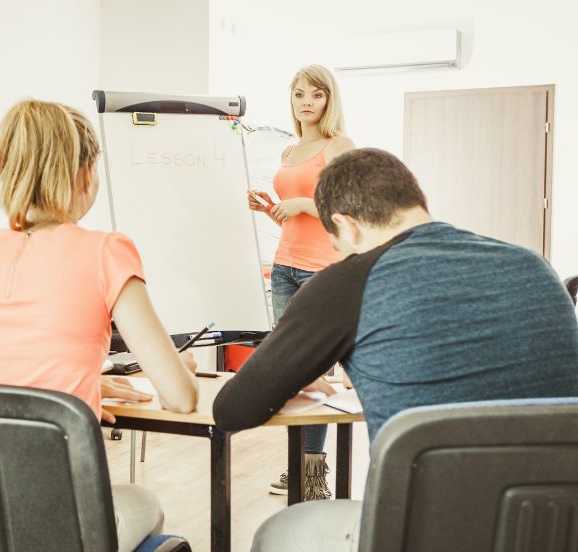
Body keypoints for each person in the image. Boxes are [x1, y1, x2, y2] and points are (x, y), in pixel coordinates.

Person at [213, 148, 578, 551]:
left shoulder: (346, 282)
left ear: (344, 226)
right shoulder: (534, 266)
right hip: (554, 527)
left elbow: (234, 409)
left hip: (419, 534)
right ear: (416, 202)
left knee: (277, 532)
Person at [0, 99, 199, 552]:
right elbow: (179, 397)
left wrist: (83, 379)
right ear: (82, 173)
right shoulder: (106, 250)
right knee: (147, 504)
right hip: (61, 520)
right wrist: (185, 365)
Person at [247, 65, 356, 498]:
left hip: (322, 269)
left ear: (329, 100)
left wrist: (301, 204)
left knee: (314, 369)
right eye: (298, 94)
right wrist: (270, 208)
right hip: (285, 265)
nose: (306, 102)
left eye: (315, 94)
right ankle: (298, 465)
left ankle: (311, 475)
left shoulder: (340, 145)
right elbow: (294, 208)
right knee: (292, 369)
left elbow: (346, 203)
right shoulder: (290, 152)